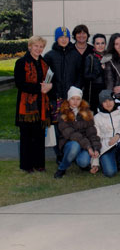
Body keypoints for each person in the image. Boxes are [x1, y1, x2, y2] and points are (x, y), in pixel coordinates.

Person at [14, 35, 53, 173]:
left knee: (39, 136)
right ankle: (27, 165)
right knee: (26, 136)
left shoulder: (44, 63)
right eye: (36, 46)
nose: (38, 49)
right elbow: (20, 83)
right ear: (30, 46)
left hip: (41, 104)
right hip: (27, 106)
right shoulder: (21, 62)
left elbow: (48, 81)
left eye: (41, 46)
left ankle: (39, 164)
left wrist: (49, 86)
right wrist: (39, 88)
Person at [44, 26, 83, 158]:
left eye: (66, 37)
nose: (64, 40)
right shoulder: (49, 56)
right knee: (57, 128)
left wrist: (75, 93)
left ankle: (70, 152)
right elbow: (46, 78)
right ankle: (59, 155)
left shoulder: (76, 54)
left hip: (71, 99)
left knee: (71, 126)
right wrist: (52, 93)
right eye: (61, 37)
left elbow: (80, 75)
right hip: (56, 98)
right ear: (57, 38)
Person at [54, 87, 100, 179]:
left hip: (85, 144)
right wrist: (88, 147)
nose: (75, 102)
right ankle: (62, 168)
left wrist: (95, 148)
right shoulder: (62, 113)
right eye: (72, 99)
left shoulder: (86, 113)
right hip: (69, 143)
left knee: (83, 162)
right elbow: (71, 134)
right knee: (75, 146)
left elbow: (92, 132)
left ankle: (79, 162)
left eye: (78, 99)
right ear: (68, 99)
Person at [93, 90, 120, 177]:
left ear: (114, 100)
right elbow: (95, 139)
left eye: (110, 100)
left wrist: (119, 135)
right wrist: (95, 162)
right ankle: (106, 160)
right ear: (101, 104)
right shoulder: (97, 118)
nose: (108, 103)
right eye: (105, 101)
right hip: (106, 148)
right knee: (110, 173)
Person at [84, 33, 106, 113]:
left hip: (107, 90)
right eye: (97, 43)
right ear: (94, 45)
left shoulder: (109, 57)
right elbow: (86, 76)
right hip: (94, 91)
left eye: (102, 43)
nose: (100, 46)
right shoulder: (90, 57)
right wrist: (100, 69)